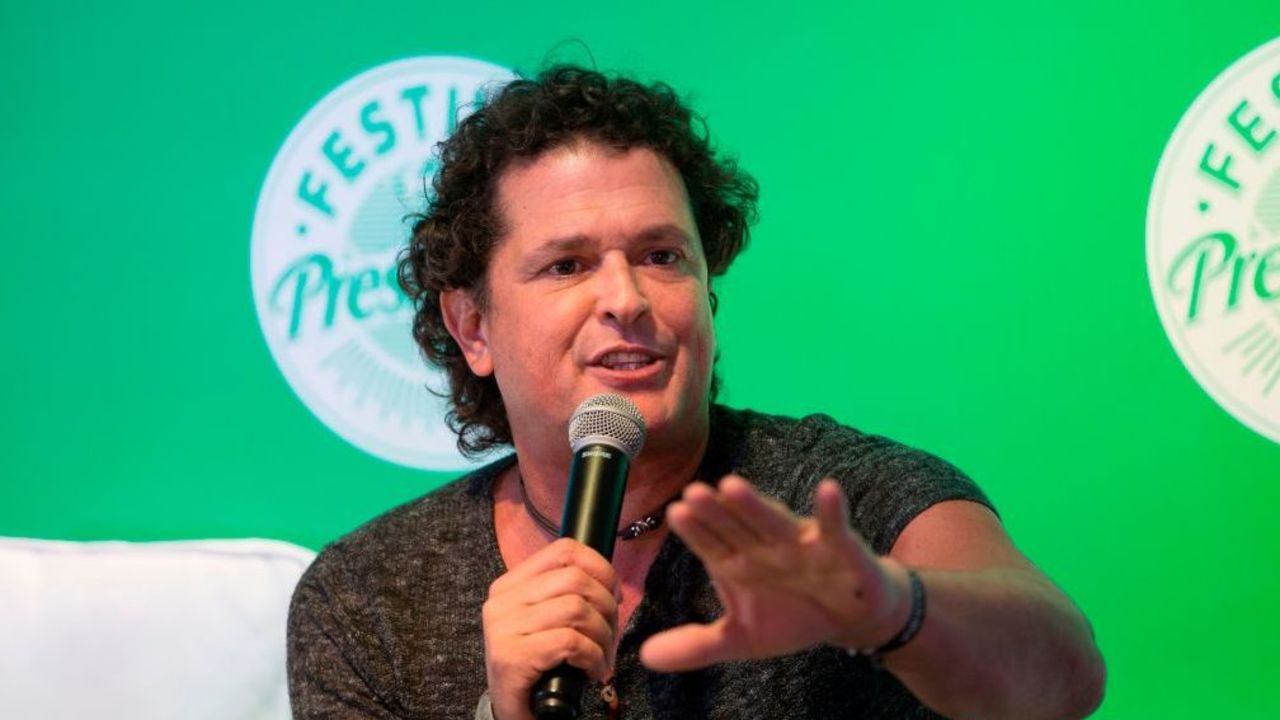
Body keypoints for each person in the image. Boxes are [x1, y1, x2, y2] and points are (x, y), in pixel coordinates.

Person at [287, 65, 1106, 720]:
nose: (628, 299)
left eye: (662, 256)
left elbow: (1065, 679)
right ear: (472, 327)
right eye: (567, 265)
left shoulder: (842, 498)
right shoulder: (368, 599)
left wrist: (889, 607)